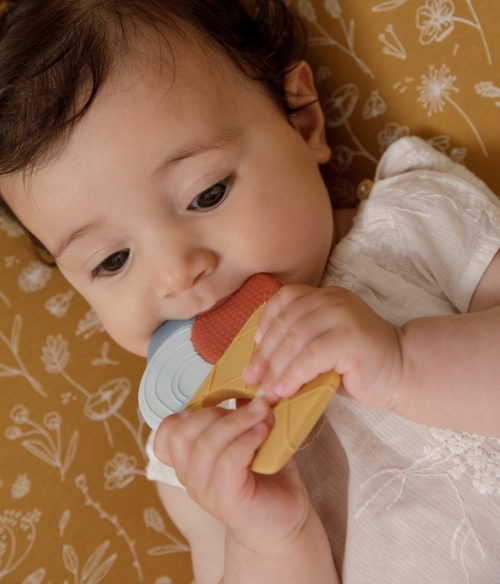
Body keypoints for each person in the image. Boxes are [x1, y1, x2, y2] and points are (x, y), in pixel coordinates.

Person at [0, 1, 499, 583]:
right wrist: (267, 539)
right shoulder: (192, 446)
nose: (175, 274)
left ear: (303, 120)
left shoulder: (415, 223)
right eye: (112, 260)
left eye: (207, 194)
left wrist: (405, 361)